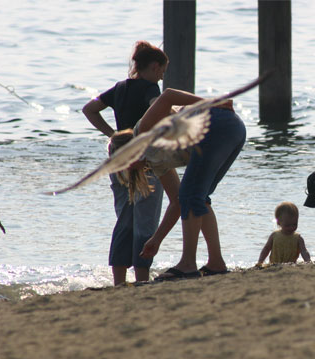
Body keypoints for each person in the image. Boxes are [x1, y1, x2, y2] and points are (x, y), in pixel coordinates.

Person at [116, 86, 246, 280]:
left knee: (191, 196)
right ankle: (216, 263)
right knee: (198, 198)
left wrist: (209, 102)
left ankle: (187, 263)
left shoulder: (144, 132)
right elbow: (176, 202)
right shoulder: (153, 162)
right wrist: (156, 240)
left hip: (217, 122)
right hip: (233, 130)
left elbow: (168, 95)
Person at [82, 40, 168, 285]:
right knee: (146, 221)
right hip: (143, 159)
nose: (161, 78)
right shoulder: (151, 88)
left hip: (118, 156)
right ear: (153, 67)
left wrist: (112, 134)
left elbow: (89, 109)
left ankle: (119, 281)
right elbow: (157, 110)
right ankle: (141, 277)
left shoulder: (119, 88)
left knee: (124, 220)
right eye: (161, 71)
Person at [256, 202, 311, 267]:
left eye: (294, 224)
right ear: (278, 222)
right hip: (274, 265)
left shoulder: (298, 238)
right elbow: (266, 249)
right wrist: (260, 261)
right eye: (287, 225)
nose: (291, 227)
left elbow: (304, 251)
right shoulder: (274, 235)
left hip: (291, 265)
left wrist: (308, 261)